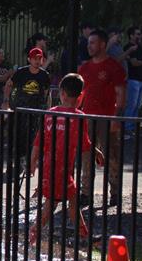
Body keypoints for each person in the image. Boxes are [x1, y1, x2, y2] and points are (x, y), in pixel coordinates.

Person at [28, 74, 105, 244]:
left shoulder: (50, 114)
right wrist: (97, 152)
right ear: (81, 96)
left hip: (50, 167)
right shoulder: (79, 117)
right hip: (62, 169)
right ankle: (33, 234)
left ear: (61, 93)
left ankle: (84, 235)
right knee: (53, 204)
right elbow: (85, 144)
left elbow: (38, 140)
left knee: (68, 201)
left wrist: (32, 162)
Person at [78, 29, 126, 206]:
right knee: (86, 156)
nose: (89, 46)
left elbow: (121, 93)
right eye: (88, 42)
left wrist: (116, 118)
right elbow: (81, 93)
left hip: (107, 117)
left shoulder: (114, 67)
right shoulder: (85, 68)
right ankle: (85, 193)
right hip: (88, 117)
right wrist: (77, 113)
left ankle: (114, 193)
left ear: (103, 44)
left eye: (93, 42)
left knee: (112, 155)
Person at [3, 47, 51, 168]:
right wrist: (6, 101)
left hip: (36, 111)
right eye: (35, 58)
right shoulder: (21, 72)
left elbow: (46, 94)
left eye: (39, 58)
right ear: (29, 59)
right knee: (19, 135)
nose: (37, 61)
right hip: (21, 109)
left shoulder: (44, 75)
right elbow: (9, 84)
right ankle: (18, 161)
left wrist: (48, 110)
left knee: (34, 137)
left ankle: (30, 161)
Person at [123, 26, 142, 135]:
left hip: (141, 80)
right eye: (137, 34)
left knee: (137, 106)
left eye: (140, 34)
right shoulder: (128, 47)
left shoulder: (139, 47)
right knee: (132, 105)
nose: (139, 36)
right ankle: (127, 128)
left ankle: (132, 128)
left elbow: (141, 62)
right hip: (133, 80)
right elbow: (134, 63)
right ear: (131, 35)